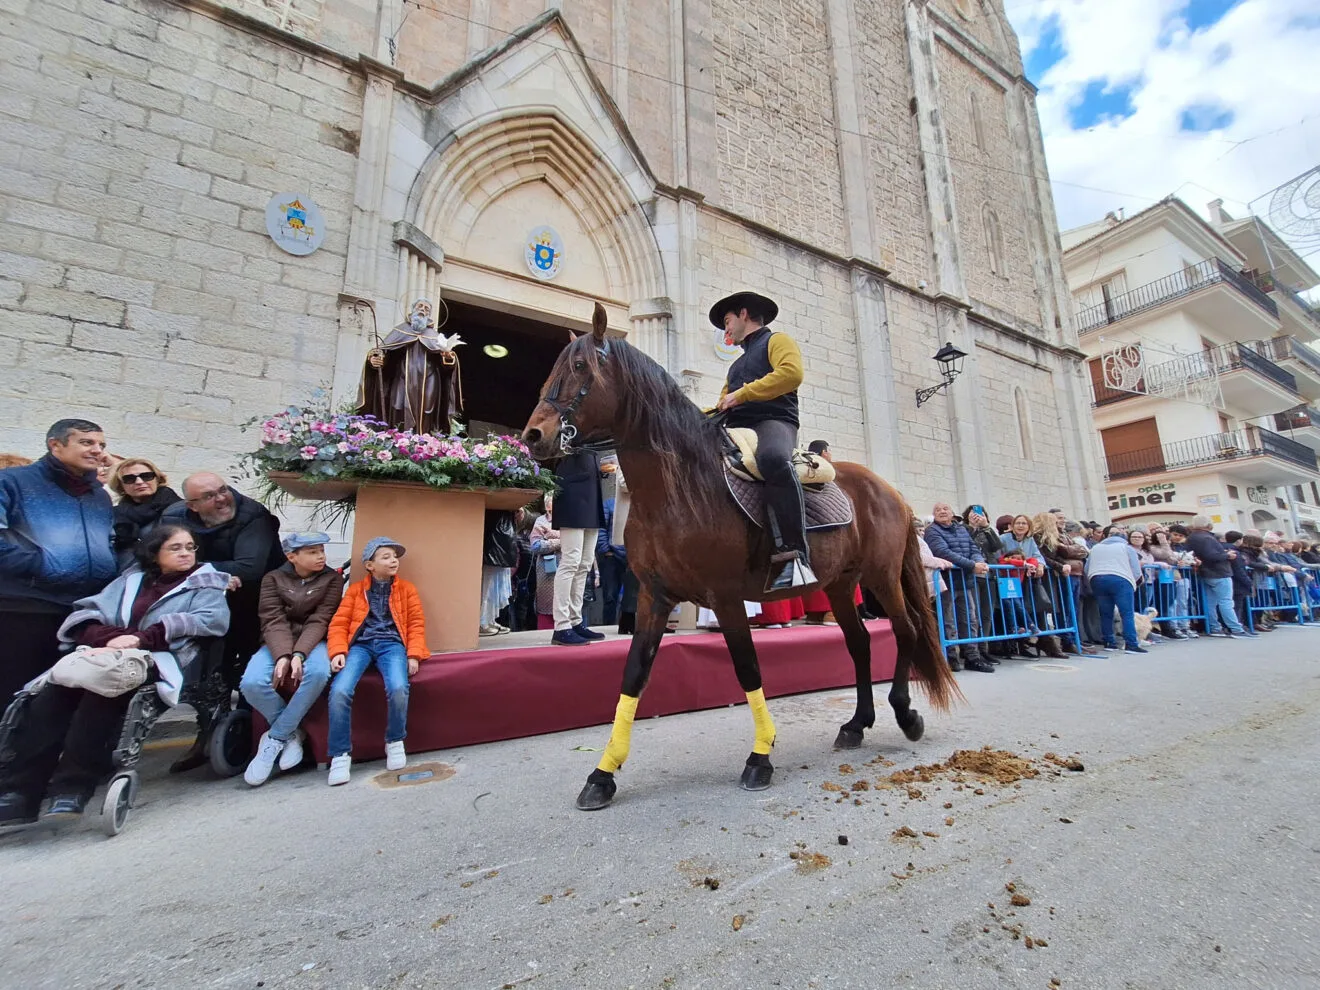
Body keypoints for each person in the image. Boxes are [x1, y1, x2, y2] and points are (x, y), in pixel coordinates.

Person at [0, 525, 229, 826]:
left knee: (102, 694)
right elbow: (87, 613)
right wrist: (110, 639)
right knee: (51, 696)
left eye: (190, 547)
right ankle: (21, 793)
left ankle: (72, 786)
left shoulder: (207, 583)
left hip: (161, 659)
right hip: (108, 656)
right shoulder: (131, 580)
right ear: (154, 552)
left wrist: (140, 639)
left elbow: (211, 620)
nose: (187, 553)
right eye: (176, 548)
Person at [161, 472, 285, 772]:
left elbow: (249, 568)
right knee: (209, 675)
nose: (221, 499)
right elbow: (159, 553)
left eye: (223, 490)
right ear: (192, 506)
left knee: (247, 673)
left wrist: (189, 568)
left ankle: (248, 735)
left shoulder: (253, 516)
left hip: (254, 605)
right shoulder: (173, 517)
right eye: (209, 496)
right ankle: (207, 736)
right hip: (206, 608)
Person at [0, 420, 118, 705]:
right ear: (56, 445)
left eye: (101, 444)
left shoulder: (99, 496)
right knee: (12, 695)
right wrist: (42, 564)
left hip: (77, 613)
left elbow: (106, 542)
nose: (97, 450)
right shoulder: (14, 481)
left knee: (54, 703)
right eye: (87, 443)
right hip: (24, 609)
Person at [709, 290, 813, 592]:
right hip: (737, 425)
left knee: (772, 460)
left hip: (774, 420)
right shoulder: (735, 366)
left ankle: (795, 556)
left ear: (743, 314)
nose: (725, 330)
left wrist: (741, 394)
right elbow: (721, 403)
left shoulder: (777, 341)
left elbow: (792, 374)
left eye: (727, 321)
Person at [239, 532, 343, 787]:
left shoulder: (332, 579)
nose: (321, 556)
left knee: (318, 672)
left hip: (315, 641)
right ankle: (293, 733)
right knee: (252, 683)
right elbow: (272, 619)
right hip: (276, 642)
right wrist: (283, 655)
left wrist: (299, 654)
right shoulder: (273, 578)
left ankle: (275, 738)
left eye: (321, 550)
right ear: (291, 556)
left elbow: (321, 619)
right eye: (312, 552)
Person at [325, 537, 428, 786]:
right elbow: (338, 624)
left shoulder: (407, 589)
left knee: (398, 687)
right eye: (386, 557)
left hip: (392, 645)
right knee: (340, 690)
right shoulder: (355, 590)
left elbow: (416, 623)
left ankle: (395, 740)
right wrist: (337, 651)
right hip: (360, 646)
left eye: (395, 557)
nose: (393, 561)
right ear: (369, 565)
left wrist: (413, 654)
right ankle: (340, 754)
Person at [356, 298, 465, 434]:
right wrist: (375, 359)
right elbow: (383, 352)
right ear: (413, 309)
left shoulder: (435, 337)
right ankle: (398, 440)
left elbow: (447, 366)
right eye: (420, 306)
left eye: (426, 309)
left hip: (429, 380)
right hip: (402, 377)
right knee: (398, 406)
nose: (423, 310)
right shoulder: (400, 331)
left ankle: (422, 443)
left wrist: (448, 358)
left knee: (427, 411)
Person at [923, 502, 994, 673]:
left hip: (965, 581)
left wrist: (979, 562)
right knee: (947, 621)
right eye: (937, 510)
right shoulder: (932, 531)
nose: (942, 512)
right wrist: (971, 565)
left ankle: (972, 656)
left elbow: (973, 548)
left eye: (945, 509)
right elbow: (942, 552)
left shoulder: (961, 529)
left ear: (952, 513)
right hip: (947, 582)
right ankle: (950, 657)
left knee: (970, 619)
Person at [550, 451, 609, 646]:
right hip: (572, 495)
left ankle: (575, 621)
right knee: (571, 561)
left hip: (591, 496)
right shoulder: (569, 428)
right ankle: (561, 625)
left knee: (584, 564)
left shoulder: (592, 441)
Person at [1185, 516, 1252, 637]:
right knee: (1225, 601)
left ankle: (1214, 627)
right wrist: (1227, 555)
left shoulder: (1191, 538)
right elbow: (1212, 555)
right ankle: (1236, 629)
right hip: (1219, 572)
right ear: (1208, 525)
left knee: (1210, 602)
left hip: (1203, 572)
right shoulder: (1207, 538)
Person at [109, 457, 182, 567]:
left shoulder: (178, 509)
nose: (139, 482)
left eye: (146, 476)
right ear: (121, 486)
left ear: (157, 479)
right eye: (129, 479)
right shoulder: (117, 515)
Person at [1085, 524, 1147, 653]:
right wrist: (1136, 582)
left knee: (1105, 613)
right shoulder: (1126, 547)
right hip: (1121, 579)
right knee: (1127, 613)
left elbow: (1087, 568)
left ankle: (1109, 642)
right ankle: (1131, 644)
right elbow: (1136, 570)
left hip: (1097, 579)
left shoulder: (1095, 548)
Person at [479, 510, 516, 637]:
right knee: (488, 583)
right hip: (494, 534)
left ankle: (490, 619)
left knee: (496, 583)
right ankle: (482, 622)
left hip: (502, 531)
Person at [531, 495, 561, 631]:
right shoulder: (541, 521)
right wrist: (559, 542)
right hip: (548, 571)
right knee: (547, 605)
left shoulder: (570, 520)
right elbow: (535, 546)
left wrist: (551, 535)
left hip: (568, 566)